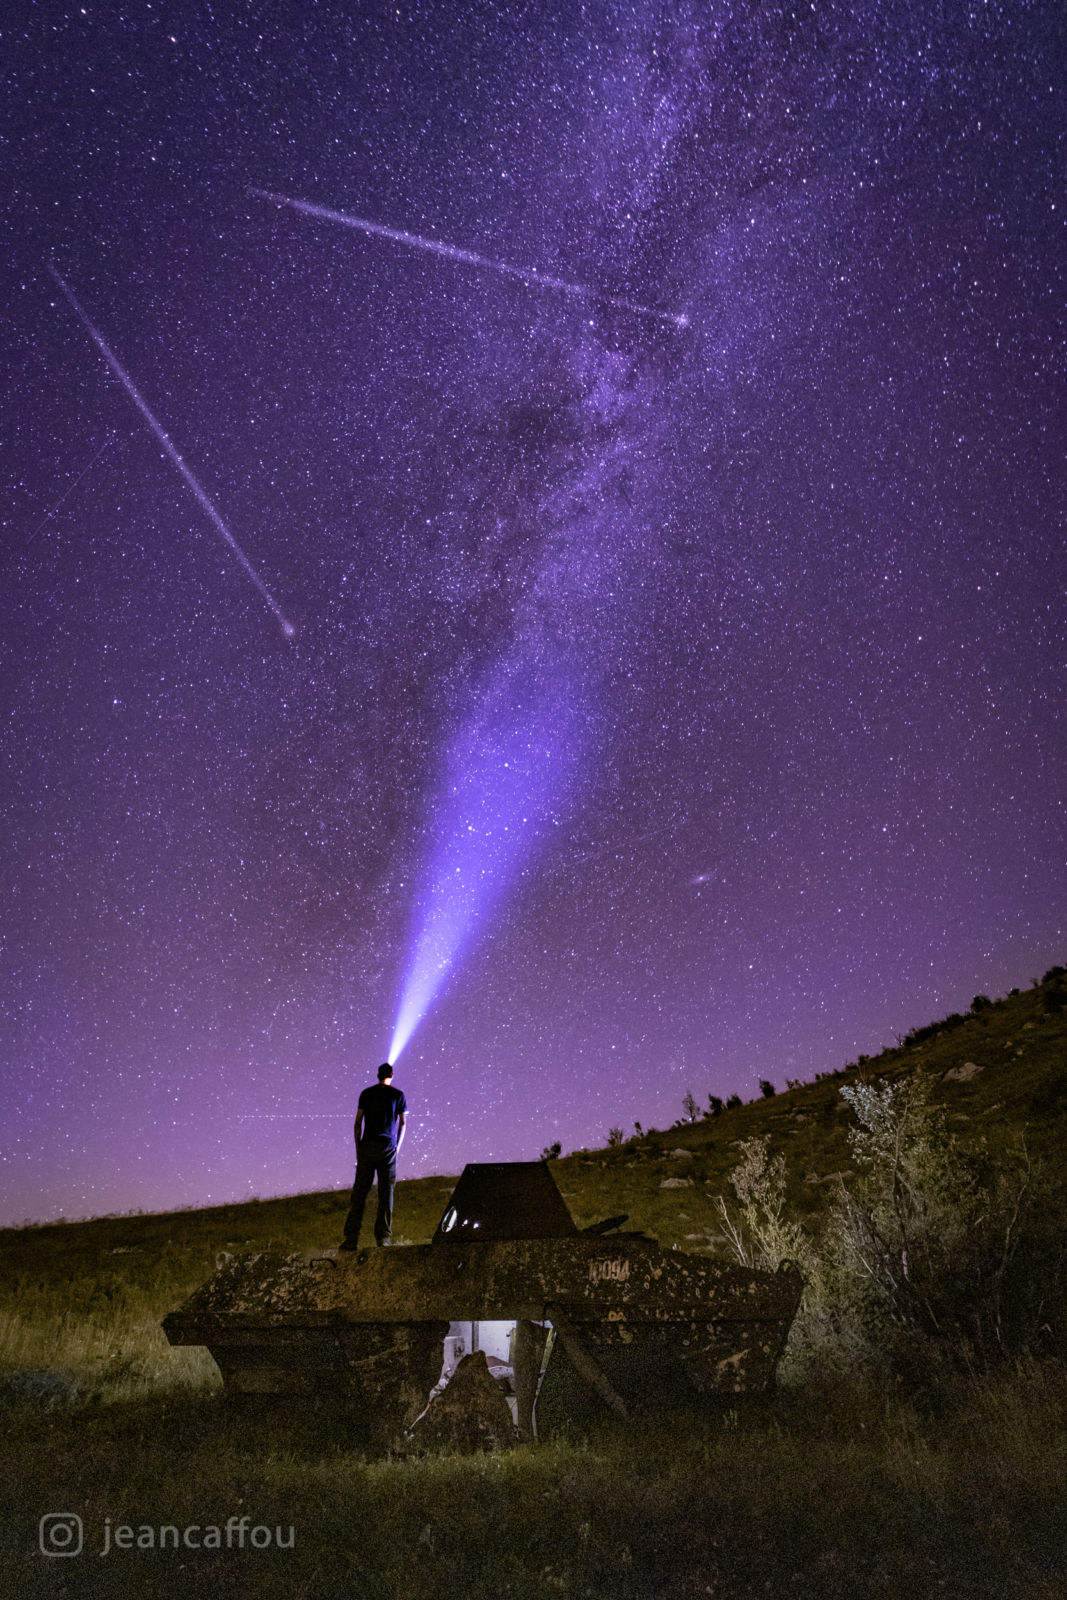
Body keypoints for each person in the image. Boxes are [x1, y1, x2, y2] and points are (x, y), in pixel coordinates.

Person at [339, 1062, 406, 1249]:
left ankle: (351, 1239)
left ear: (377, 1075)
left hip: (367, 1147)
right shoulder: (398, 1095)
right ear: (391, 1075)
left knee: (359, 1194)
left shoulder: (366, 1093)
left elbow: (357, 1122)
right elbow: (402, 1123)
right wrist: (397, 1147)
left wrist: (358, 1148)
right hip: (387, 1148)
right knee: (386, 1193)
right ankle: (383, 1238)